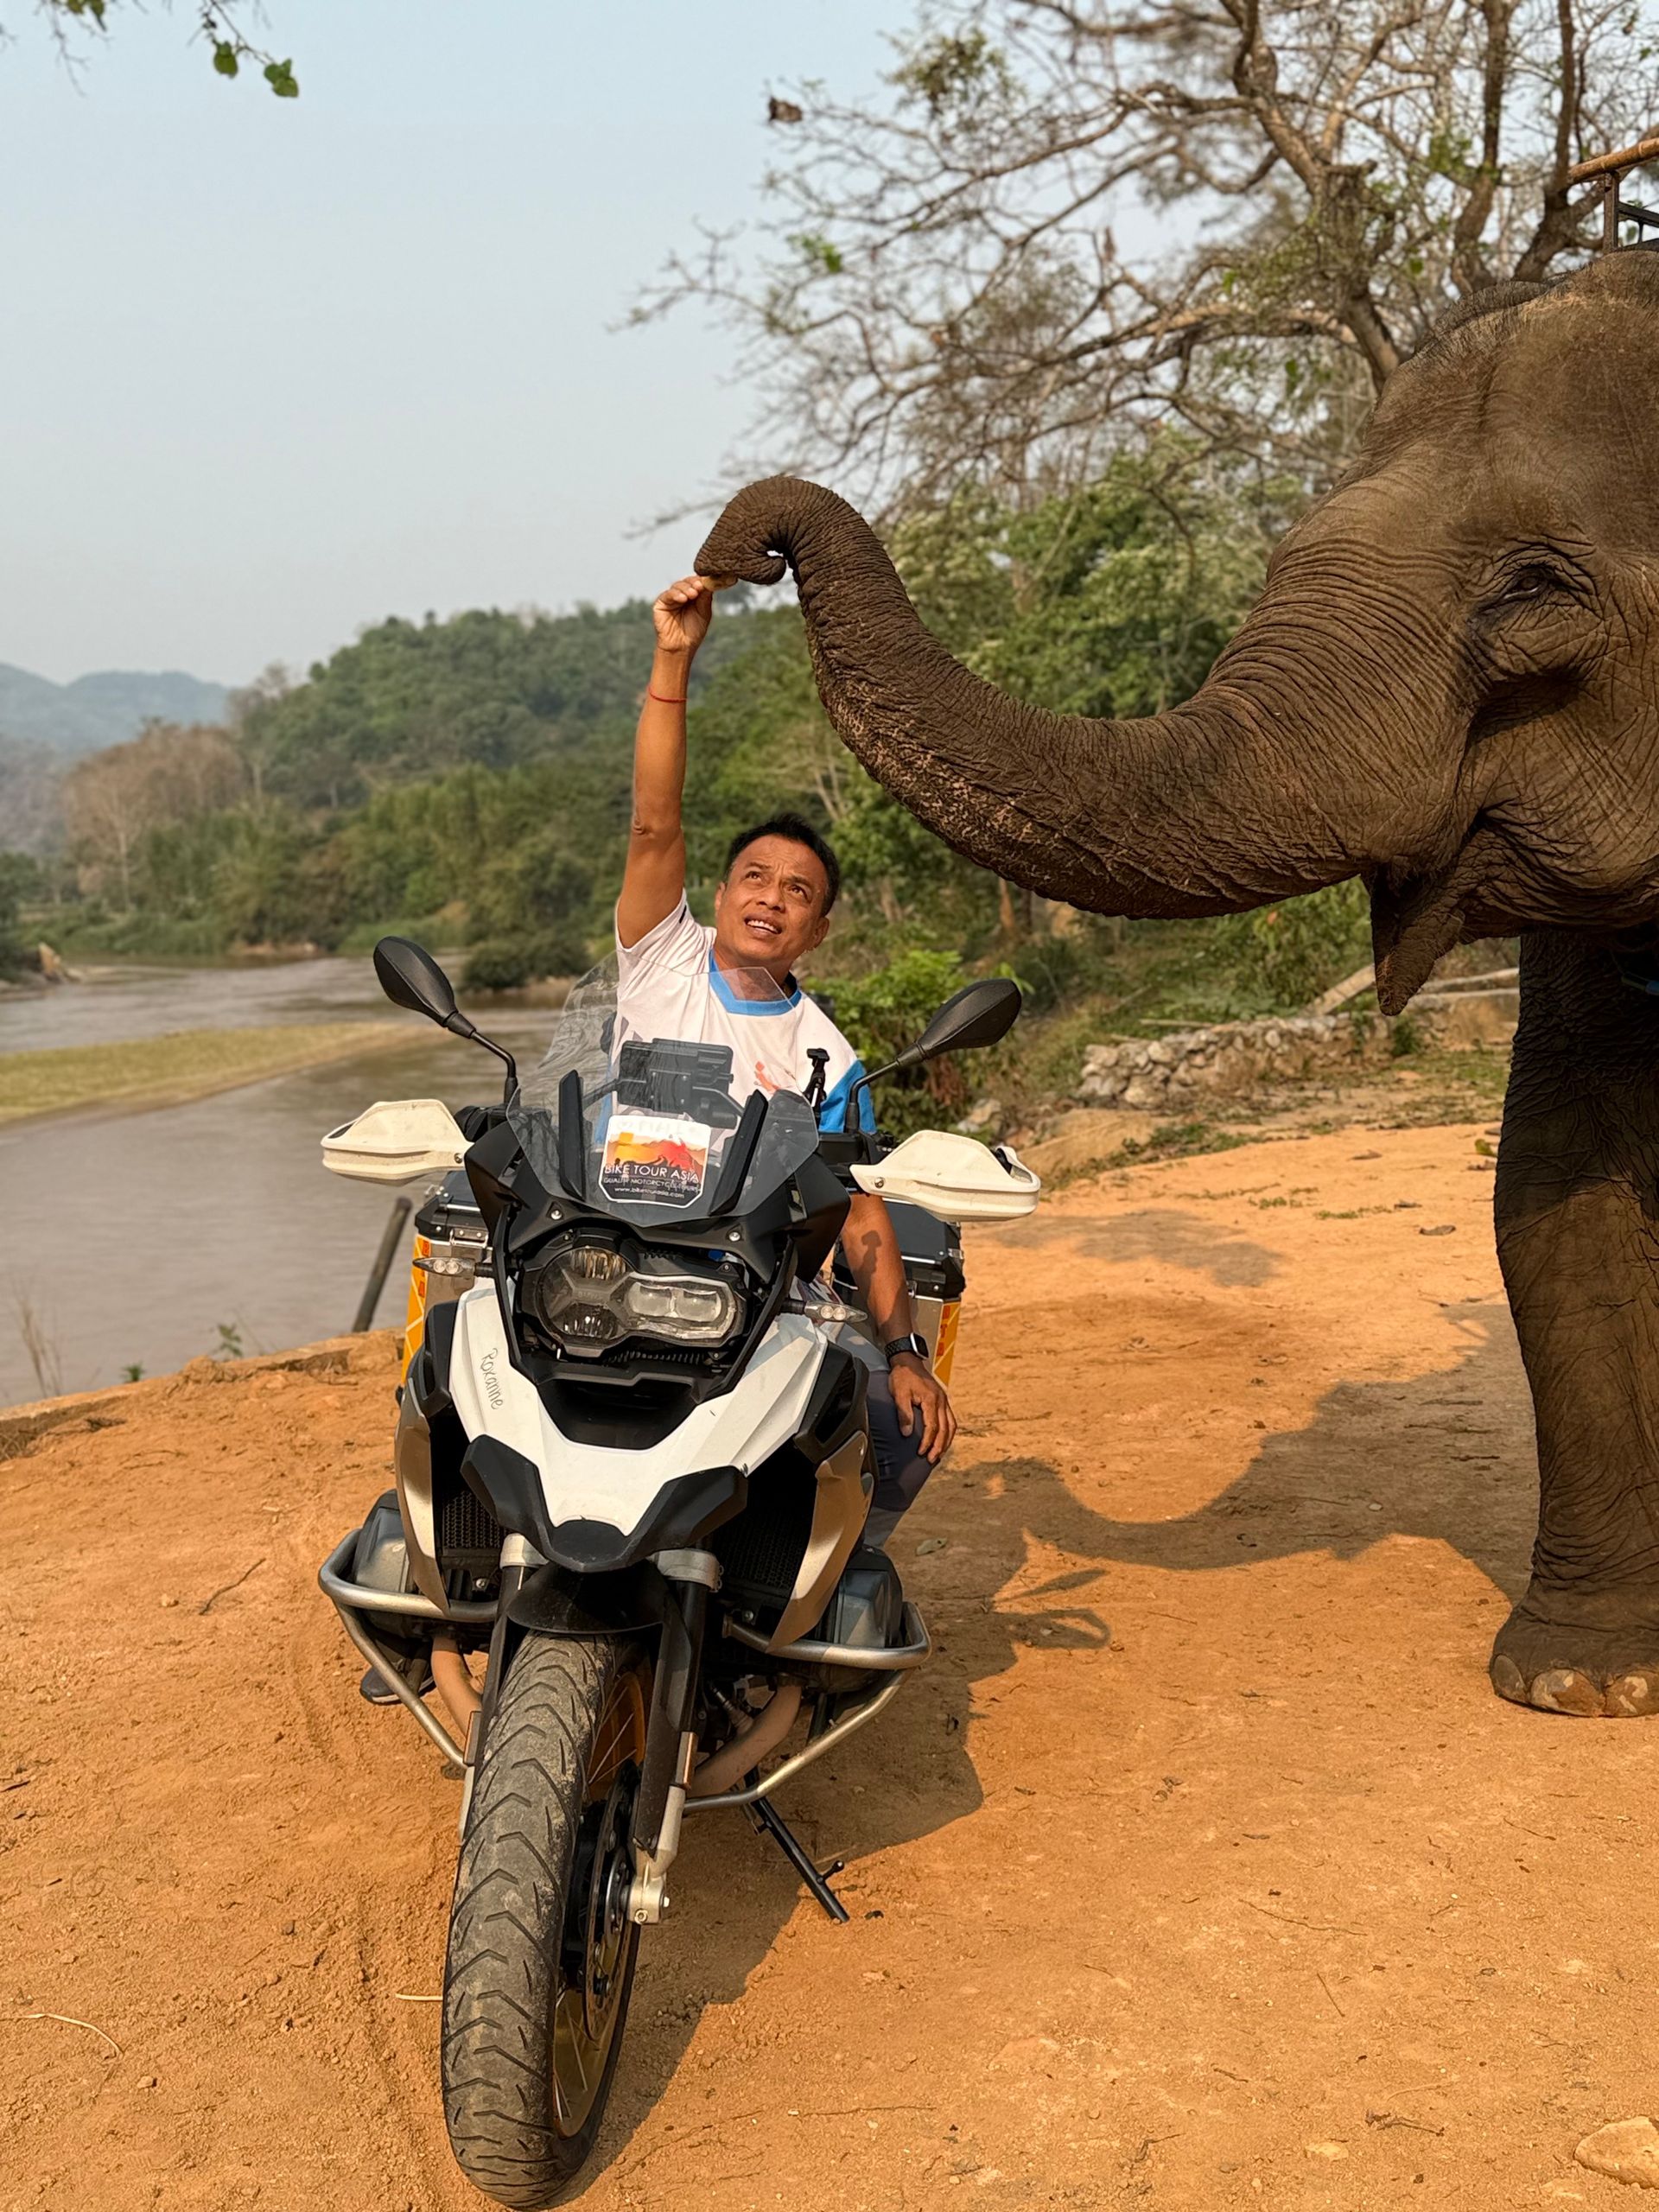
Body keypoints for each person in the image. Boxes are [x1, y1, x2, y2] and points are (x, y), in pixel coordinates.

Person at [617, 573, 956, 1544]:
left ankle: (818, 1604)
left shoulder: (827, 1054)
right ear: (717, 894)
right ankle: (443, 1587)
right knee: (466, 1357)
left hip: (756, 1293)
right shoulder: (662, 959)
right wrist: (674, 659)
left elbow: (861, 1218)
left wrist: (905, 1350)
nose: (771, 896)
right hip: (621, 1247)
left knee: (896, 1424)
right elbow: (653, 817)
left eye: (797, 890)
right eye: (754, 877)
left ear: (818, 926)